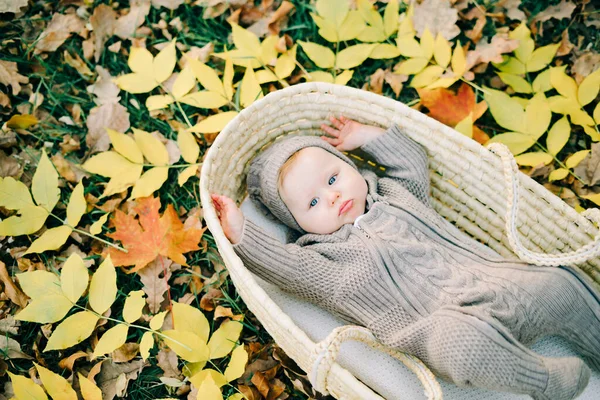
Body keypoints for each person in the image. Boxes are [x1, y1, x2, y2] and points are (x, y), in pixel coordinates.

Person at [211, 116, 600, 399]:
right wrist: (240, 233)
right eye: (312, 202)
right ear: (299, 226)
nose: (331, 196)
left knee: (558, 285)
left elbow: (411, 160)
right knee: (464, 348)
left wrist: (367, 136)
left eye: (333, 178)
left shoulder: (398, 195)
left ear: (351, 167)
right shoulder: (324, 262)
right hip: (437, 325)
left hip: (492, 279)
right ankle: (545, 381)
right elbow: (286, 269)